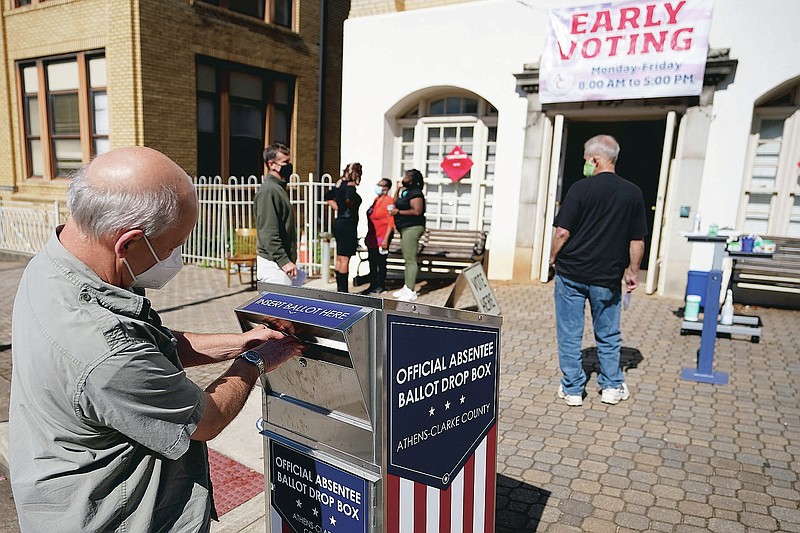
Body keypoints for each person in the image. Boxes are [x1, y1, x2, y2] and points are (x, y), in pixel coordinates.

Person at [9, 146, 305, 532]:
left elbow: (151, 346)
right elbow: (205, 420)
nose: (175, 259)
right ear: (128, 243)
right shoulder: (103, 348)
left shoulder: (53, 264)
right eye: (172, 246)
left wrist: (242, 341)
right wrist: (256, 362)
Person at [549, 134, 647, 407]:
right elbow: (637, 240)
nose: (584, 165)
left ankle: (572, 389)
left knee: (570, 333)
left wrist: (553, 258)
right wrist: (633, 272)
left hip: (572, 273)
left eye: (585, 160)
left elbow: (562, 231)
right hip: (607, 276)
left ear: (595, 159)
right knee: (608, 333)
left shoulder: (580, 189)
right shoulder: (632, 193)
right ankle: (612, 386)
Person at [254, 142, 297, 285]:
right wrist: (284, 260)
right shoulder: (269, 191)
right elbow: (268, 231)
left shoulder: (278, 189)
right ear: (271, 164)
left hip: (279, 264)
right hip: (274, 266)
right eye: (285, 162)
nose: (289, 166)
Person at [388, 169, 426, 302]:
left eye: (407, 177)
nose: (404, 179)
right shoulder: (406, 192)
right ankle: (406, 286)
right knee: (407, 258)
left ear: (413, 179)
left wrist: (398, 212)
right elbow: (394, 203)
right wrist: (397, 189)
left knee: (410, 259)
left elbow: (417, 211)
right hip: (405, 228)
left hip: (413, 227)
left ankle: (411, 291)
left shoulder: (416, 193)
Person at [324, 163, 363, 292]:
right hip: (348, 224)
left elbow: (328, 197)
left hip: (339, 222)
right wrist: (348, 205)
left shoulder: (340, 185)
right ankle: (343, 291)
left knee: (340, 256)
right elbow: (349, 200)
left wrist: (339, 208)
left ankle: (339, 288)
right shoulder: (350, 188)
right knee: (345, 258)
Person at [362, 177, 395, 295]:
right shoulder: (377, 199)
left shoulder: (389, 201)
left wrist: (386, 239)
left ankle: (381, 285)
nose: (377, 186)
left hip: (382, 236)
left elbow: (391, 222)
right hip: (372, 236)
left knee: (380, 262)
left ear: (386, 189)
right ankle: (373, 284)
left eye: (380, 185)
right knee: (372, 261)